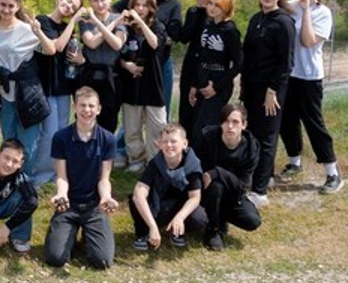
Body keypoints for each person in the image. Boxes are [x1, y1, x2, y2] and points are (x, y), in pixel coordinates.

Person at [0, 0, 75, 178]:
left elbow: (51, 49)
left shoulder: (27, 29)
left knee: (27, 143)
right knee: (8, 141)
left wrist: (38, 31)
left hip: (28, 94)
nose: (6, 10)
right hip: (6, 94)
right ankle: (6, 180)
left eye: (11, 6)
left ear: (18, 6)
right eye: (3, 5)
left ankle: (24, 181)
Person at [280, 0, 344, 194]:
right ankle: (294, 162)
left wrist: (306, 10)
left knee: (314, 123)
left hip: (309, 76)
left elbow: (307, 41)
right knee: (287, 121)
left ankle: (332, 172)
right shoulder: (289, 6)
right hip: (289, 74)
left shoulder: (323, 13)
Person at [43, 87, 118, 269]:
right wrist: (62, 194)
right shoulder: (61, 137)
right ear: (74, 108)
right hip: (68, 205)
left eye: (91, 106)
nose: (87, 110)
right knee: (55, 259)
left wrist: (106, 197)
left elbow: (104, 178)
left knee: (103, 261)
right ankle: (68, 231)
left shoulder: (108, 139)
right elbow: (62, 176)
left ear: (99, 109)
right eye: (82, 105)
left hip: (94, 206)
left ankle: (89, 233)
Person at [239, 0, 295, 207]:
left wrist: (272, 90)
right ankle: (264, 176)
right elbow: (248, 56)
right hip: (252, 86)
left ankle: (260, 191)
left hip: (271, 90)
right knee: (252, 134)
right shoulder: (256, 19)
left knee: (267, 137)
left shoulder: (284, 22)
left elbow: (286, 62)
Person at [193, 102, 262, 251]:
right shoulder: (208, 138)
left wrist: (217, 172)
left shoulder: (251, 147)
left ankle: (220, 216)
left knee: (252, 221)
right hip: (207, 192)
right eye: (226, 121)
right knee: (216, 186)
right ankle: (213, 231)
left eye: (235, 122)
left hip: (234, 194)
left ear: (244, 125)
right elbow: (198, 172)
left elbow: (243, 185)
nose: (230, 126)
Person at [129, 123, 208, 252]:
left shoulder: (193, 165)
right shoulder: (155, 163)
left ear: (184, 143)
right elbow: (139, 192)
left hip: (179, 206)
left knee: (199, 218)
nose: (169, 145)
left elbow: (195, 197)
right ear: (160, 144)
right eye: (165, 141)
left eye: (173, 141)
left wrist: (180, 217)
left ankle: (177, 231)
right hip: (158, 206)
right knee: (135, 200)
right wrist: (152, 226)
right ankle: (144, 232)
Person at [34, 0, 85, 185]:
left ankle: (58, 172)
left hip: (63, 85)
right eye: (68, 2)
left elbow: (71, 54)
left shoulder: (67, 27)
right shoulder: (42, 21)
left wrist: (81, 59)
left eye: (74, 7)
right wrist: (74, 22)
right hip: (45, 84)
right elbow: (57, 46)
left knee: (62, 130)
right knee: (48, 132)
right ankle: (40, 174)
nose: (69, 7)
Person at [117, 0, 169, 174]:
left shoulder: (158, 26)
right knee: (132, 128)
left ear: (151, 7)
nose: (140, 9)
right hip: (131, 84)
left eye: (144, 5)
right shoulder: (125, 28)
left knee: (158, 127)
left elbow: (155, 43)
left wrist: (141, 23)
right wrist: (127, 65)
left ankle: (155, 162)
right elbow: (117, 54)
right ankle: (136, 160)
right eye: (136, 5)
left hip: (153, 84)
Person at [188, 0, 242, 136]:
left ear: (226, 7)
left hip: (219, 82)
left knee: (207, 129)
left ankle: (210, 159)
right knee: (196, 127)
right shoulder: (207, 25)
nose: (212, 8)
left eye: (217, 5)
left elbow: (238, 63)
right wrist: (194, 85)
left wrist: (217, 87)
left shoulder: (230, 31)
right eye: (210, 3)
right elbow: (201, 56)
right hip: (202, 80)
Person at [173, 0, 219, 141]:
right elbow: (185, 37)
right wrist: (198, 12)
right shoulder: (193, 12)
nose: (200, 0)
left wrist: (207, 12)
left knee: (201, 109)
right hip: (191, 63)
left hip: (207, 66)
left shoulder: (216, 16)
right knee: (186, 108)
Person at [77, 0, 125, 134]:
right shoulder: (85, 21)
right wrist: (110, 26)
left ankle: (106, 155)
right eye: (95, 1)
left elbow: (117, 43)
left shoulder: (119, 18)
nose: (100, 4)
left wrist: (99, 23)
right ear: (90, 2)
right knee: (85, 117)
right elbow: (91, 43)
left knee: (109, 119)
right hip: (89, 76)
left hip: (112, 77)